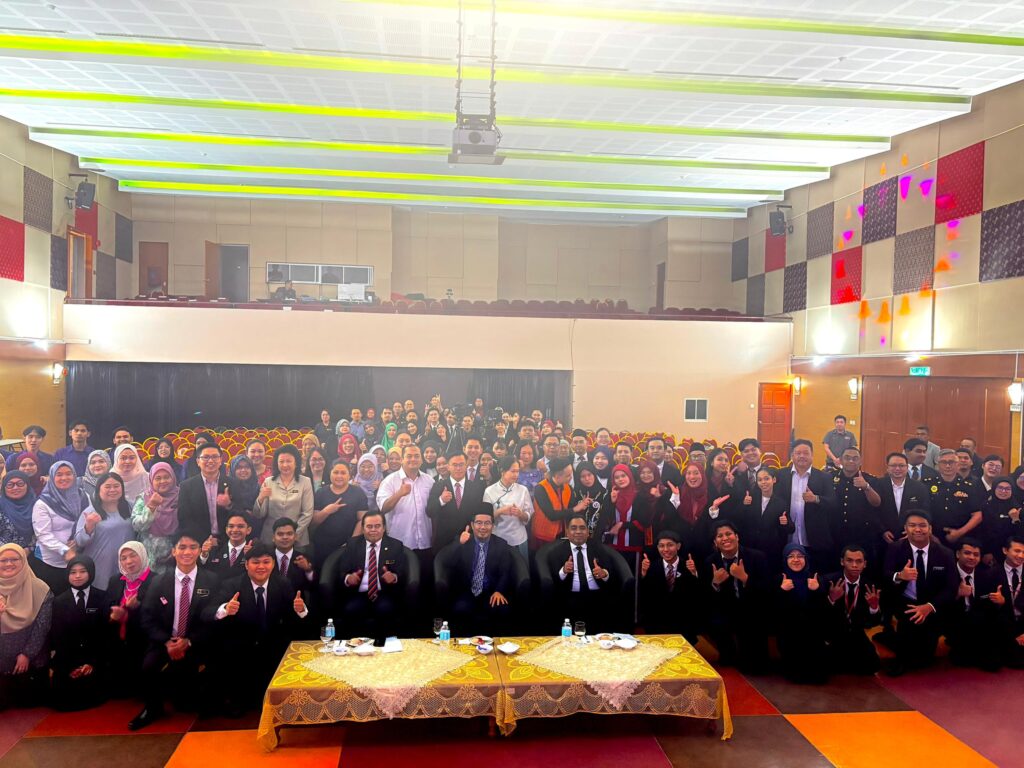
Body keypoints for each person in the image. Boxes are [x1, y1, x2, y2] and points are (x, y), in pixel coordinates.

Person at [129, 530, 219, 730]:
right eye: (182, 547)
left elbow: (212, 619)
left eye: (193, 547)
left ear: (199, 551)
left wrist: (189, 641)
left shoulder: (211, 580)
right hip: (165, 640)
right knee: (148, 667)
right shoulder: (159, 581)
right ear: (173, 551)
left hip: (196, 640)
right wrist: (167, 642)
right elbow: (147, 617)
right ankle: (152, 708)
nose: (187, 552)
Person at [206, 542, 310, 714]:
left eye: (266, 562)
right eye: (255, 562)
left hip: (272, 643)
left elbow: (295, 616)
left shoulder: (283, 583)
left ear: (273, 564)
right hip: (242, 645)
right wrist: (225, 609)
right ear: (247, 565)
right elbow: (207, 612)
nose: (261, 566)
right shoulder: (231, 585)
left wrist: (301, 610)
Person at [881, 510, 958, 676]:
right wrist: (899, 576)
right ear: (905, 528)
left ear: (930, 529)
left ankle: (892, 639)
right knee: (906, 654)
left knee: (925, 658)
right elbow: (885, 575)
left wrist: (929, 607)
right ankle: (891, 638)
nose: (917, 529)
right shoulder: (895, 548)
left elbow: (951, 588)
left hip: (932, 605)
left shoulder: (945, 553)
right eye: (912, 525)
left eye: (922, 525)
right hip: (905, 603)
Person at [703, 520, 770, 673]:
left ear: (737, 537)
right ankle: (728, 654)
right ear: (715, 542)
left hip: (751, 608)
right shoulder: (711, 561)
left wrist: (745, 578)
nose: (725, 538)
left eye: (728, 534)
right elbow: (705, 595)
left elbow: (766, 589)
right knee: (714, 620)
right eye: (720, 536)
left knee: (755, 668)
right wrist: (715, 583)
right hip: (726, 609)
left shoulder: (757, 557)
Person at [332, 510, 408, 642]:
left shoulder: (395, 545)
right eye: (369, 526)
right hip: (358, 593)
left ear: (384, 528)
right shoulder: (353, 544)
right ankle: (353, 647)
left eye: (377, 526)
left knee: (385, 609)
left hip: (384, 592)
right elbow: (342, 570)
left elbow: (402, 572)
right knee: (351, 610)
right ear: (363, 528)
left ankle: (383, 647)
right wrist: (348, 578)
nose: (373, 530)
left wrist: (394, 577)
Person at [50, 555, 108, 710]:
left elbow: (104, 635)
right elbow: (58, 638)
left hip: (94, 657)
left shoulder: (102, 597)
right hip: (68, 659)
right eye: (73, 572)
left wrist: (91, 663)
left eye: (82, 571)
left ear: (91, 573)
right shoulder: (59, 601)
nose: (77, 576)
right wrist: (72, 666)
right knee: (61, 699)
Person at [546, 514, 622, 632]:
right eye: (574, 528)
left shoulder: (598, 547)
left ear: (587, 532)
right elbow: (552, 578)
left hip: (596, 596)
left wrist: (604, 573)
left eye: (582, 528)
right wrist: (564, 570)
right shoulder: (557, 551)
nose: (578, 531)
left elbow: (611, 570)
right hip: (570, 596)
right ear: (567, 532)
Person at [447, 506, 515, 636]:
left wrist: (499, 590)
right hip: (467, 591)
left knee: (502, 609)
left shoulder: (501, 544)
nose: (483, 527)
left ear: (493, 526)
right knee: (460, 609)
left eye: (487, 523)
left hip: (491, 592)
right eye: (479, 523)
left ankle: (496, 647)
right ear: (472, 525)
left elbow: (505, 571)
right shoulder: (464, 541)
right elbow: (448, 563)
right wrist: (459, 543)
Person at [0, 543, 53, 710]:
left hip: (30, 659)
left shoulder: (40, 588)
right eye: (3, 560)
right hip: (1, 660)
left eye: (14, 559)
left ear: (23, 560)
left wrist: (27, 654)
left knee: (29, 703)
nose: (9, 564)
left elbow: (42, 626)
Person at [774, 439, 837, 573]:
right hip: (786, 538)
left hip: (814, 540)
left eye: (806, 453)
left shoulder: (824, 477)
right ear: (792, 456)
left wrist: (816, 499)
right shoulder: (780, 475)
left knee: (813, 577)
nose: (802, 456)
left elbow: (833, 503)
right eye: (798, 453)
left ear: (812, 455)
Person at [377, 444, 434, 586]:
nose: (413, 459)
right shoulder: (390, 480)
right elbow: (383, 508)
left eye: (416, 456)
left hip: (425, 542)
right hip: (400, 542)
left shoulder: (429, 480)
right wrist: (399, 494)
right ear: (402, 459)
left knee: (425, 583)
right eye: (409, 456)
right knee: (402, 584)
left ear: (422, 459)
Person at [822, 544, 881, 675]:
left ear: (865, 564)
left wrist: (874, 607)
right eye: (849, 560)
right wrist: (831, 599)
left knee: (873, 666)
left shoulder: (869, 585)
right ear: (842, 562)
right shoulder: (828, 581)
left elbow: (874, 622)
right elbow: (819, 615)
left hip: (855, 633)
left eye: (859, 561)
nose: (854, 565)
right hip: (832, 633)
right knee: (824, 668)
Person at [775, 544, 828, 684]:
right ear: (785, 560)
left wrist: (816, 591)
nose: (796, 560)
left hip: (812, 633)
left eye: (800, 556)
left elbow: (823, 610)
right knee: (796, 675)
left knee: (819, 677)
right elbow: (774, 611)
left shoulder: (815, 578)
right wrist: (782, 591)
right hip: (790, 634)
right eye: (791, 556)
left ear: (806, 559)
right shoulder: (779, 579)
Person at [32, 461, 88, 593]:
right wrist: (65, 550)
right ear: (52, 477)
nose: (64, 478)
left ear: (74, 475)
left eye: (68, 474)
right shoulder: (43, 504)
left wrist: (79, 541)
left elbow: (87, 522)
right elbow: (43, 535)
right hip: (51, 563)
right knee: (55, 599)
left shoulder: (83, 497)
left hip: (79, 560)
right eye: (59, 474)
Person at [106, 542, 153, 695]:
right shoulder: (115, 580)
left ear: (143, 555)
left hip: (144, 640)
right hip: (119, 639)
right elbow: (108, 608)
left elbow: (160, 614)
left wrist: (137, 608)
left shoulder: (156, 580)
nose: (129, 561)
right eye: (124, 558)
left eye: (133, 556)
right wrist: (113, 617)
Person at [638, 530, 700, 643]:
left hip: (683, 625)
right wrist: (643, 573)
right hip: (657, 625)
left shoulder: (689, 566)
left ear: (678, 546)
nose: (665, 550)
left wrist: (694, 574)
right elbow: (644, 597)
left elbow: (697, 597)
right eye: (661, 546)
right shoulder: (651, 567)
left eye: (670, 545)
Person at [74, 472, 134, 589]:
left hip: (127, 563)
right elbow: (79, 542)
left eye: (116, 486)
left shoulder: (131, 507)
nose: (112, 490)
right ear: (98, 489)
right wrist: (89, 526)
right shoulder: (90, 511)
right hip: (100, 566)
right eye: (107, 486)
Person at [254, 444, 315, 547]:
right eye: (281, 461)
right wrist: (261, 498)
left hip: (297, 538)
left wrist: (293, 535)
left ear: (296, 463)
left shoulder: (305, 482)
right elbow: (259, 514)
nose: (285, 465)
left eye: (289, 461)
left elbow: (307, 513)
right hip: (270, 537)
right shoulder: (268, 482)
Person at [979, 534, 1024, 670]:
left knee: (1018, 662)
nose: (1021, 556)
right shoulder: (990, 573)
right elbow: (981, 599)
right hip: (1002, 624)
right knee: (992, 664)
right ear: (1005, 550)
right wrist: (997, 602)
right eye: (1017, 551)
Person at [311, 461, 367, 569]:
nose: (339, 476)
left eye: (343, 473)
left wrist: (352, 542)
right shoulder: (321, 493)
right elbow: (314, 521)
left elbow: (362, 520)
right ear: (330, 473)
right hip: (323, 545)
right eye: (336, 472)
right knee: (323, 574)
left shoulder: (358, 493)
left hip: (348, 544)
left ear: (349, 475)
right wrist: (326, 511)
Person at [871, 452, 929, 556]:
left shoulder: (919, 487)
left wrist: (911, 530)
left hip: (911, 537)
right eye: (893, 465)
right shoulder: (877, 485)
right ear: (887, 468)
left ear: (907, 468)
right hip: (882, 538)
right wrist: (882, 531)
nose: (897, 468)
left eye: (901, 465)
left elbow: (925, 511)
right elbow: (872, 511)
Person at [943, 537, 989, 669]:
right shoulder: (946, 573)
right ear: (958, 554)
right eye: (967, 553)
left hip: (976, 621)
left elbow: (985, 604)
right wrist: (957, 594)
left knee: (991, 663)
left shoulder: (985, 575)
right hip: (952, 619)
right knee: (961, 661)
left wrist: (999, 601)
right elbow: (939, 604)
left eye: (976, 554)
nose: (972, 557)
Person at [176, 442, 235, 541]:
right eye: (206, 457)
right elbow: (184, 518)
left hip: (228, 539)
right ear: (198, 461)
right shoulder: (186, 487)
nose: (210, 461)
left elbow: (240, 514)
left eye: (215, 457)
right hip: (198, 540)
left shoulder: (233, 483)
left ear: (221, 460)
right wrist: (204, 540)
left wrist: (229, 504)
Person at [737, 467, 792, 573]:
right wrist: (744, 505)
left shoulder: (781, 503)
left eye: (766, 478)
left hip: (771, 549)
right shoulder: (750, 499)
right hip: (750, 547)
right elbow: (740, 520)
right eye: (760, 480)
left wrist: (785, 523)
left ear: (774, 480)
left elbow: (791, 528)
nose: (763, 482)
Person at [927, 449, 985, 548]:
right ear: (938, 465)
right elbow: (921, 511)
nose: (947, 466)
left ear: (958, 464)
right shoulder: (927, 484)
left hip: (961, 537)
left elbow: (977, 515)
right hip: (931, 536)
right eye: (944, 462)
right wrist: (929, 534)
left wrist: (959, 533)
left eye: (951, 462)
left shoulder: (970, 486)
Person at [427, 452, 483, 552]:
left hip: (468, 539)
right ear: (448, 467)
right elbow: (429, 511)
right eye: (454, 465)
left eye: (461, 464)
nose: (458, 468)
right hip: (444, 542)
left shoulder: (476, 488)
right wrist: (441, 500)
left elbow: (478, 513)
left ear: (466, 466)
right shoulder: (438, 486)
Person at [131, 462, 180, 573]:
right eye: (158, 478)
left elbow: (189, 524)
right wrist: (151, 507)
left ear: (173, 478)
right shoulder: (144, 497)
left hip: (176, 554)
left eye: (166, 477)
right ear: (151, 480)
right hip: (150, 556)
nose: (163, 481)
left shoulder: (181, 496)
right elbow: (136, 526)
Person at [832, 447, 882, 555]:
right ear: (840, 460)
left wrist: (866, 487)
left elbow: (877, 503)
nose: (851, 461)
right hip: (835, 533)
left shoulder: (870, 479)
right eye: (847, 458)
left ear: (860, 461)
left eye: (855, 458)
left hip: (862, 534)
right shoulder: (830, 478)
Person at [483, 456, 533, 558]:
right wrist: (500, 511)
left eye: (517, 471)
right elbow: (485, 518)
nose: (516, 475)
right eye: (512, 471)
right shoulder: (490, 491)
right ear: (502, 471)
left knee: (521, 566)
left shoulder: (523, 490)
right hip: (498, 537)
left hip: (519, 538)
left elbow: (529, 515)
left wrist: (520, 514)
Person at [532, 457, 574, 550]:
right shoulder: (541, 488)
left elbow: (570, 511)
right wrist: (575, 509)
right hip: (543, 535)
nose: (571, 477)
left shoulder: (568, 488)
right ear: (557, 476)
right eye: (568, 475)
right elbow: (551, 515)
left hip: (562, 533)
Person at [270, 518, 317, 597]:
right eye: (280, 534)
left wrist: (308, 570)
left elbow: (313, 587)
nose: (285, 537)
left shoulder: (305, 558)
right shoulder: (265, 558)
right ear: (273, 537)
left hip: (296, 601)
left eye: (289, 534)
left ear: (295, 536)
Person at [199, 512, 252, 582]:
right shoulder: (214, 549)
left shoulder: (253, 551)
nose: (235, 530)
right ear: (226, 529)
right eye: (231, 526)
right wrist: (204, 554)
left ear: (248, 530)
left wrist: (251, 557)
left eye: (240, 526)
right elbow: (202, 571)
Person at [981, 477, 1022, 562]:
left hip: (1011, 555)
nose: (1003, 491)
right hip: (988, 552)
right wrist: (986, 551)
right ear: (994, 488)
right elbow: (981, 531)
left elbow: (1020, 535)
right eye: (1000, 488)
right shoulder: (985, 506)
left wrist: (1015, 520)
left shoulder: (1018, 509)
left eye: (1007, 489)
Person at [570, 461, 612, 540]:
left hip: (599, 537)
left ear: (594, 474)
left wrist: (595, 538)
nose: (587, 479)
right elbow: (570, 515)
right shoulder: (574, 494)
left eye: (589, 474)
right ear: (578, 478)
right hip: (578, 538)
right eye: (583, 476)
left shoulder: (604, 494)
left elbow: (605, 518)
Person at [0, 472, 37, 550]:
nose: (15, 488)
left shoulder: (37, 505)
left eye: (20, 484)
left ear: (27, 485)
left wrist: (29, 549)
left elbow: (42, 532)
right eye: (10, 485)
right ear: (4, 487)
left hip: (33, 552)